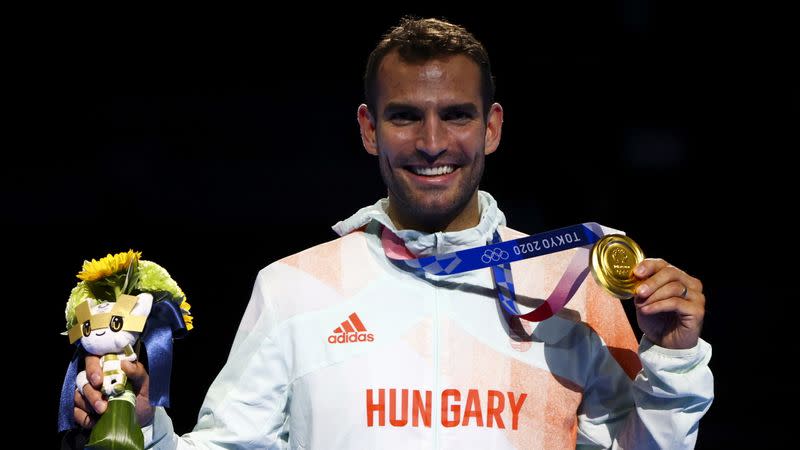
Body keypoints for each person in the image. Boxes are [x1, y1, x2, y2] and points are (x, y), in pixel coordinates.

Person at [72, 17, 713, 449]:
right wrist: (142, 421)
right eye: (404, 117)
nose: (432, 143)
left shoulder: (573, 287)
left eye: (455, 116)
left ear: (491, 128)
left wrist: (675, 358)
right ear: (369, 129)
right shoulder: (295, 287)